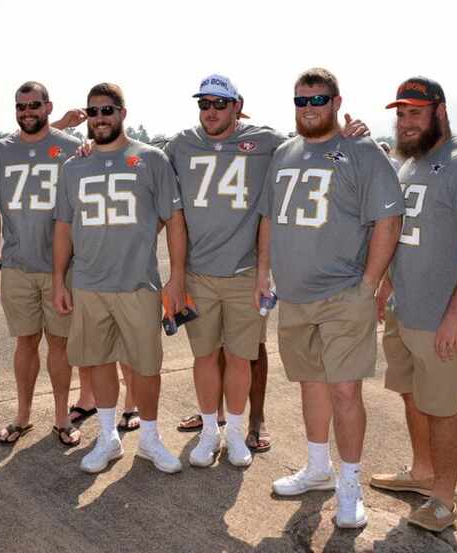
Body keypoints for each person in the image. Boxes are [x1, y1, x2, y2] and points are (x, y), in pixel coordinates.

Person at [255, 68, 404, 528]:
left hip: (344, 294)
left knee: (345, 390)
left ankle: (349, 485)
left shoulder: (361, 151)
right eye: (301, 101)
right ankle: (318, 469)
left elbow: (389, 220)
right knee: (311, 384)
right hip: (295, 296)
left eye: (318, 100)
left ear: (336, 101)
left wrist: (369, 284)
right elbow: (268, 218)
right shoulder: (283, 152)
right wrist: (263, 272)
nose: (309, 108)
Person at [370, 77, 457, 532]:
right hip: (406, 309)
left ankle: (444, 501)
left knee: (443, 407)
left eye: (415, 112)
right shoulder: (408, 164)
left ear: (440, 112)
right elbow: (405, 234)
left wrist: (456, 314)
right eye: (401, 113)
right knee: (412, 396)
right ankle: (422, 472)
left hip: (445, 318)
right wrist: (387, 285)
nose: (406, 122)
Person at [52, 82, 187, 474]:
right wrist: (60, 280)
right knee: (97, 362)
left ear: (122, 113)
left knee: (146, 367)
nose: (99, 118)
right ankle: (108, 437)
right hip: (90, 284)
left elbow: (174, 220)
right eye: (93, 112)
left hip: (138, 284)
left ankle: (149, 438)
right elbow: (64, 225)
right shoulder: (74, 165)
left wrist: (176, 278)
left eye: (107, 110)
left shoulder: (151, 159)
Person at [164, 74, 288, 466]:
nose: (211, 111)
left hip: (245, 272)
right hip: (198, 273)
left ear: (237, 105)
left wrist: (349, 136)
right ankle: (209, 430)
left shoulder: (265, 140)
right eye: (204, 104)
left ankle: (238, 431)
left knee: (242, 356)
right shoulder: (181, 144)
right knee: (204, 355)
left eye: (220, 103)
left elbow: (311, 149)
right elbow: (142, 169)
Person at [0, 82, 84, 446]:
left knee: (59, 345)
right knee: (25, 343)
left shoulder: (74, 148)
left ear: (48, 106)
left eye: (34, 105)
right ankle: (22, 416)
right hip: (17, 265)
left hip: (62, 268)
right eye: (20, 106)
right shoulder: (0, 152)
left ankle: (62, 418)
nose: (27, 111)